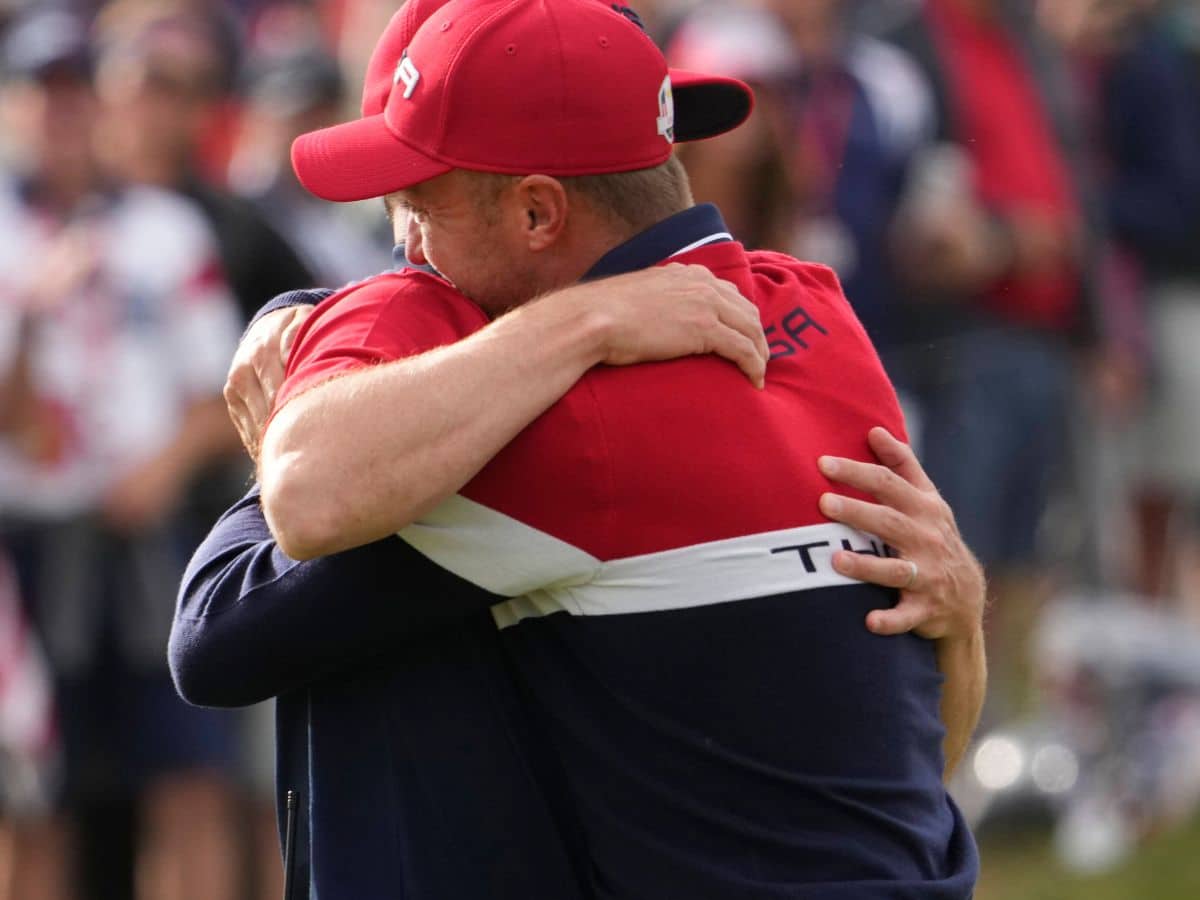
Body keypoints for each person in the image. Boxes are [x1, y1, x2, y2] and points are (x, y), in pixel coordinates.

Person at [175, 0, 985, 896]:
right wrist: (970, 628)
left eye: (418, 205)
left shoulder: (571, 430)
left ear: (537, 213)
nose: (408, 249)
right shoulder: (825, 316)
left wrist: (566, 320)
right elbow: (923, 751)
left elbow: (227, 616)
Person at [0, 8, 244, 899]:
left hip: (146, 538)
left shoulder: (165, 228)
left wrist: (163, 468)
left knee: (190, 780)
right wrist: (30, 314)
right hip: (28, 540)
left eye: (76, 95)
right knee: (32, 798)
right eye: (41, 95)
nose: (61, 116)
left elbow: (226, 392)